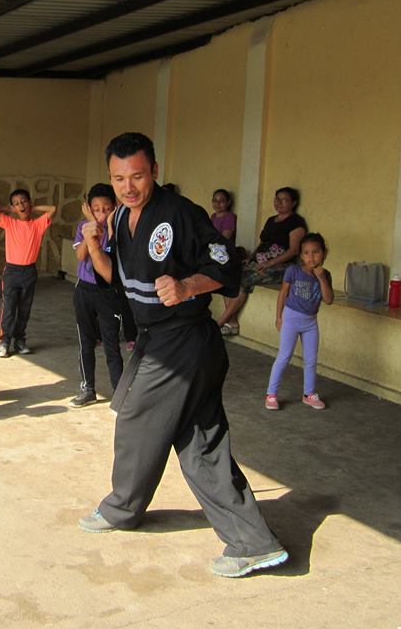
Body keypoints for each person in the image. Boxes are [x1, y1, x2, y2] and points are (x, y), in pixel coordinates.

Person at [77, 132, 287, 579]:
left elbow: (229, 267)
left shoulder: (180, 214)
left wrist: (188, 285)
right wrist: (94, 245)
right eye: (118, 179)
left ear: (154, 170)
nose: (128, 186)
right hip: (163, 339)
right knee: (199, 441)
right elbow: (118, 281)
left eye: (136, 175)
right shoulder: (119, 220)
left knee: (136, 421)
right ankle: (254, 543)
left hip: (183, 341)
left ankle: (122, 508)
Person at [217, 187, 306, 336]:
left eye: (283, 200)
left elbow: (294, 250)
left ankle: (220, 321)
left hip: (282, 266)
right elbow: (262, 243)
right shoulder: (271, 220)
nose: (278, 202)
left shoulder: (296, 222)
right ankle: (232, 322)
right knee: (227, 272)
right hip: (260, 262)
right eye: (276, 199)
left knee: (244, 279)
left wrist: (269, 263)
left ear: (293, 203)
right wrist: (250, 259)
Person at [70, 183, 125, 408]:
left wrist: (111, 221)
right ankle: (88, 388)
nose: (102, 214)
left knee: (112, 344)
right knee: (85, 342)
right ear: (88, 209)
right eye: (96, 209)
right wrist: (89, 226)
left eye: (107, 209)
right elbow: (81, 255)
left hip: (108, 294)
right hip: (84, 289)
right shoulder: (85, 226)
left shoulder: (118, 227)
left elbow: (112, 252)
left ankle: (120, 394)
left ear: (115, 207)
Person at [265, 232, 333, 411]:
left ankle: (309, 394)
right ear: (301, 256)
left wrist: (321, 278)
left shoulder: (325, 275)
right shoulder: (293, 271)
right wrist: (278, 317)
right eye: (306, 253)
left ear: (324, 253)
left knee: (311, 359)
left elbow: (328, 299)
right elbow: (283, 293)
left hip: (311, 322)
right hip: (291, 318)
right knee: (284, 356)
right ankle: (271, 394)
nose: (311, 256)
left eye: (316, 252)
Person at [0, 190, 56, 357]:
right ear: (13, 208)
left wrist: (33, 207)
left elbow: (52, 209)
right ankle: (4, 341)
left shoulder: (37, 224)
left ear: (29, 203)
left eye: (24, 201)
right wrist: (10, 209)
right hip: (11, 271)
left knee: (24, 308)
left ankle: (19, 341)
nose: (21, 205)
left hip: (29, 272)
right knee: (9, 307)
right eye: (16, 203)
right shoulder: (10, 222)